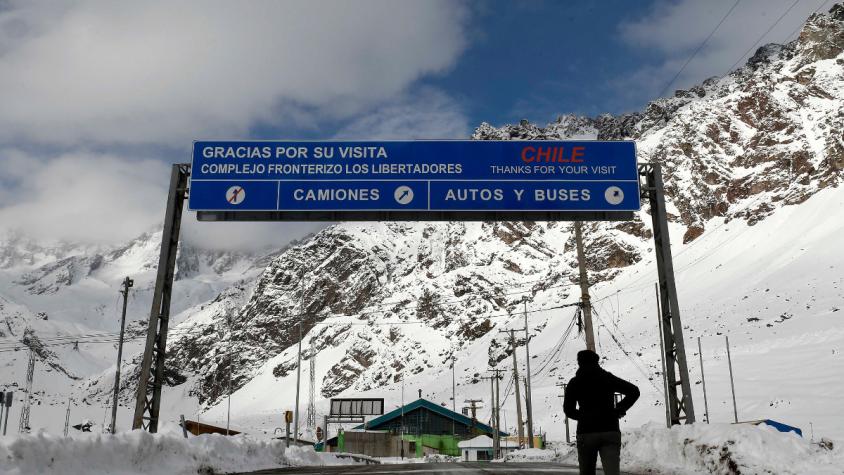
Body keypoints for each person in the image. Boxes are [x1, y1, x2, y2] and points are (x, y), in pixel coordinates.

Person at [564, 349, 640, 475]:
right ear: (596, 361)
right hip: (610, 430)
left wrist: (584, 417)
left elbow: (568, 410)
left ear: (579, 363)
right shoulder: (607, 378)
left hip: (586, 433)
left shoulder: (575, 383)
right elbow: (634, 391)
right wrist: (620, 409)